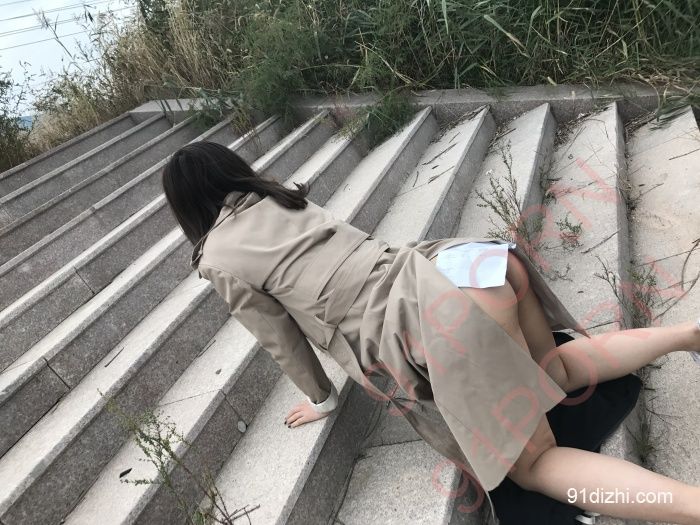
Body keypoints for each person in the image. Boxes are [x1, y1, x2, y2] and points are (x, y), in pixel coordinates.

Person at [162, 140, 700, 525]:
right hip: (466, 263)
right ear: (233, 171)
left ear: (187, 208)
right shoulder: (281, 197)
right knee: (555, 369)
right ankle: (688, 335)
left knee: (534, 465)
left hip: (438, 313)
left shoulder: (217, 257)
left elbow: (280, 338)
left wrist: (321, 398)